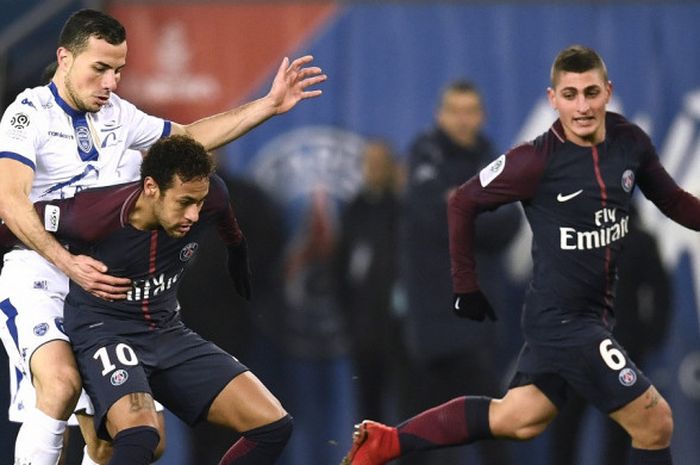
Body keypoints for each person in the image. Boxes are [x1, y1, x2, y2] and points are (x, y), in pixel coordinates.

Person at [340, 45, 700, 465]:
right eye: (570, 95)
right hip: (564, 323)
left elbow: (673, 201)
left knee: (518, 418)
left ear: (607, 92)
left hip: (594, 315)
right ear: (553, 99)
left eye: (590, 92)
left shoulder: (630, 143)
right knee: (655, 422)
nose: (581, 106)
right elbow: (462, 202)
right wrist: (465, 283)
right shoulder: (535, 159)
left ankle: (387, 442)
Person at [0, 8, 324, 465]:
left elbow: (189, 138)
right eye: (100, 69)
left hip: (106, 289)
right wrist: (69, 263)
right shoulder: (26, 116)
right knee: (59, 382)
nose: (111, 82)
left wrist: (267, 106)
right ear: (65, 59)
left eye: (118, 71)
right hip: (39, 269)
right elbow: (10, 203)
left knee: (122, 441)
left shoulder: (119, 115)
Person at [0, 134, 292, 465]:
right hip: (105, 331)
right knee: (139, 434)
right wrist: (63, 260)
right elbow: (14, 222)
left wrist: (237, 254)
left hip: (166, 329)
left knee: (274, 425)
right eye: (184, 203)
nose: (195, 215)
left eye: (199, 202)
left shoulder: (213, 196)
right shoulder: (91, 213)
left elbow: (227, 221)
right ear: (151, 187)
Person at [398, 80, 519, 465]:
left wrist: (460, 204)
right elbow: (434, 215)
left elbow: (509, 224)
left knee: (486, 430)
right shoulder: (424, 154)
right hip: (430, 324)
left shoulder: (494, 160)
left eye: (471, 111)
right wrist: (477, 208)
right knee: (424, 435)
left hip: (476, 322)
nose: (463, 120)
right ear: (440, 115)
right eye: (455, 111)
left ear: (482, 116)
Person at [548, 202, 673, 465]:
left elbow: (661, 293)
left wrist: (650, 336)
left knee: (610, 432)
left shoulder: (633, 240)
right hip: (594, 348)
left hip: (610, 347)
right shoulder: (576, 241)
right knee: (571, 428)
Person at [335, 140, 404, 421]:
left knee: (406, 405)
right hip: (363, 328)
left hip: (401, 331)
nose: (374, 169)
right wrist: (348, 314)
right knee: (368, 408)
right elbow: (338, 268)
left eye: (380, 163)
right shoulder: (355, 210)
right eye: (369, 163)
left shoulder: (404, 209)